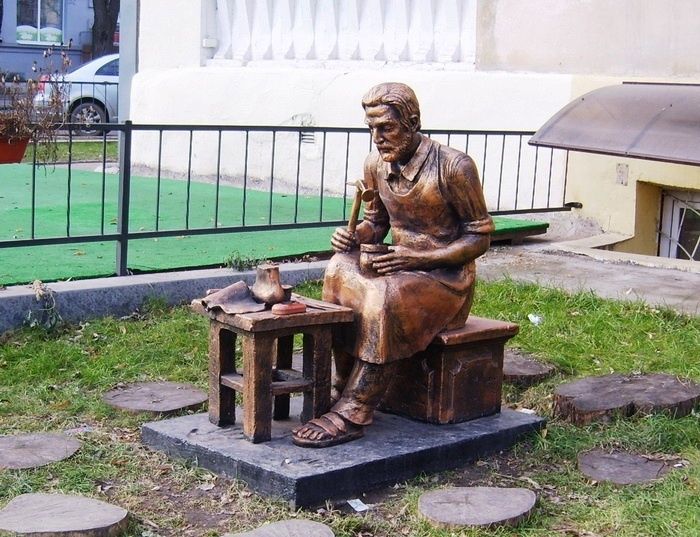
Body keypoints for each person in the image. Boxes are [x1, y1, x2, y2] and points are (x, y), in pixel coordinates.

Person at [292, 82, 494, 447]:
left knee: (383, 297)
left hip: (446, 279)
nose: (378, 138)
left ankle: (355, 409)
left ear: (412, 122)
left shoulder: (453, 167)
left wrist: (419, 258)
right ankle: (342, 383)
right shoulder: (376, 166)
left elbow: (479, 237)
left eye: (386, 127)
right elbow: (378, 224)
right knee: (339, 269)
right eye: (371, 129)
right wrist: (356, 237)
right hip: (399, 267)